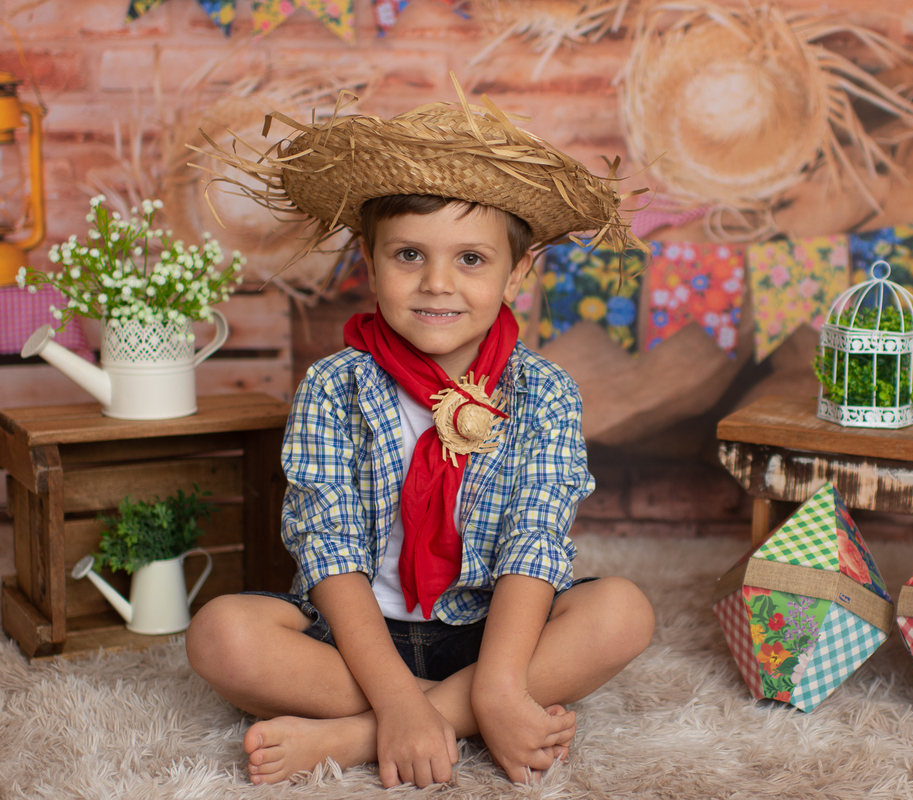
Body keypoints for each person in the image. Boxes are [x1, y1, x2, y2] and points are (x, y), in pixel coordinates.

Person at [185, 94, 655, 789]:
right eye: (409, 254)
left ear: (516, 273)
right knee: (220, 635)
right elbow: (330, 547)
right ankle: (420, 713)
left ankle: (359, 735)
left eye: (471, 258)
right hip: (351, 639)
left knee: (622, 612)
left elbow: (534, 538)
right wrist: (399, 697)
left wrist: (498, 685)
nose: (438, 283)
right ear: (370, 265)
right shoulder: (334, 386)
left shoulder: (543, 391)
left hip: (490, 633)